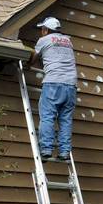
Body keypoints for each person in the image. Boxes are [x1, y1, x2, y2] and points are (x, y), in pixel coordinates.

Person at [27, 16, 78, 162]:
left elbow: (34, 58)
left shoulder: (44, 40)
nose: (41, 31)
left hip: (53, 82)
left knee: (48, 116)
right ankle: (64, 152)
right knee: (66, 120)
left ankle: (46, 149)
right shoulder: (68, 41)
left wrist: (27, 64)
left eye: (42, 29)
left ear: (46, 29)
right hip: (71, 85)